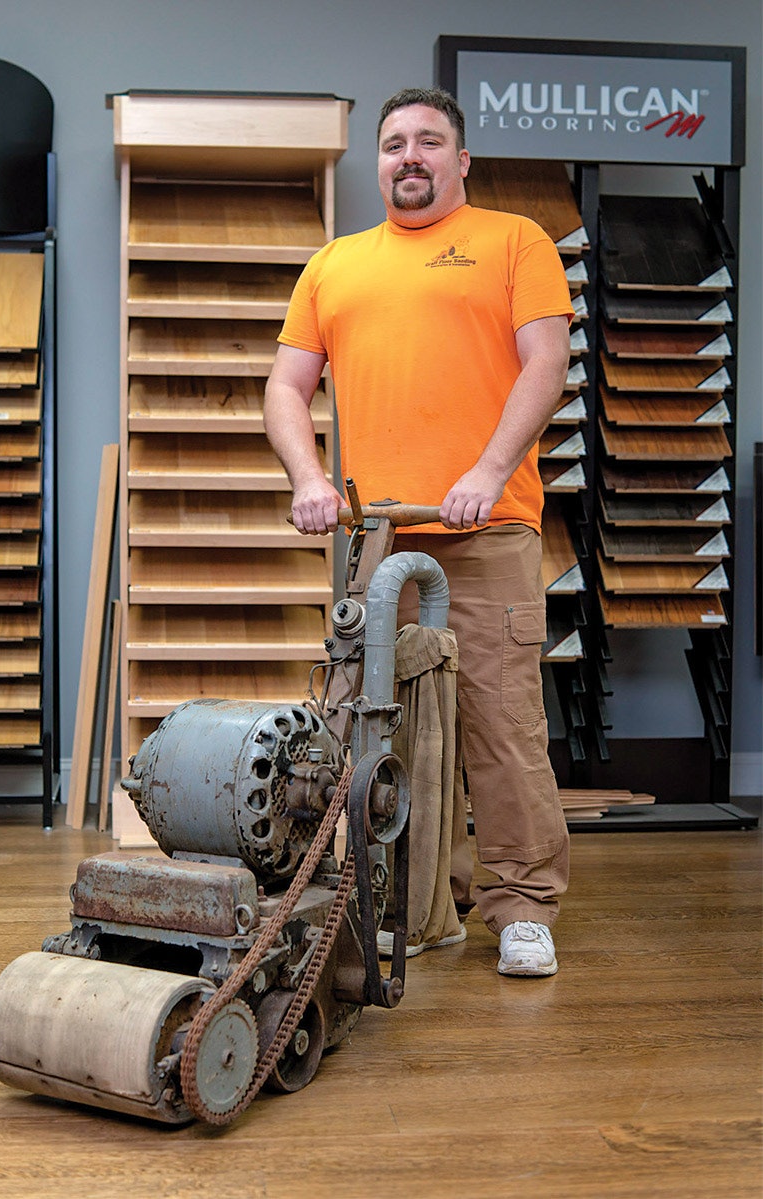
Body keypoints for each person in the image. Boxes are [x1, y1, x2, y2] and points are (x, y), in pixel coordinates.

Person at [264, 86, 573, 977]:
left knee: (503, 729)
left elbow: (544, 362)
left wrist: (483, 470)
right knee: (374, 728)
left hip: (488, 530)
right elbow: (287, 388)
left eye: (429, 142)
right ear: (378, 160)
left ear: (461, 160)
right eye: (394, 142)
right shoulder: (335, 264)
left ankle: (520, 906)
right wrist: (310, 477)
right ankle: (393, 899)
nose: (410, 156)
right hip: (379, 540)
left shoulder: (515, 242)